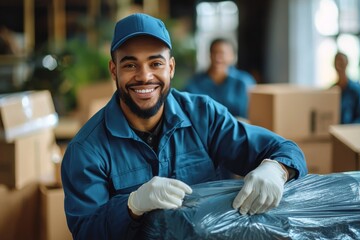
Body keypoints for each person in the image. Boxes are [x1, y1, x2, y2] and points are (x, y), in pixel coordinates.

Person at [61, 13, 307, 240]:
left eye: (155, 63)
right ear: (114, 71)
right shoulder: (87, 149)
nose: (144, 76)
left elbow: (284, 149)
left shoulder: (204, 115)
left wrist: (277, 169)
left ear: (171, 67)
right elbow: (86, 232)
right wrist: (132, 205)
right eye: (130, 65)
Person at [184, 38, 256, 119]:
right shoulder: (195, 82)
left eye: (222, 53)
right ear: (209, 55)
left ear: (232, 56)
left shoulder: (244, 81)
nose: (217, 57)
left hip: (238, 129)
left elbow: (254, 112)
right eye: (214, 52)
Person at [333, 52, 360, 124]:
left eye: (341, 62)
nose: (339, 65)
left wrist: (347, 129)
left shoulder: (357, 91)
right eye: (337, 62)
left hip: (352, 132)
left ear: (347, 64)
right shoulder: (332, 91)